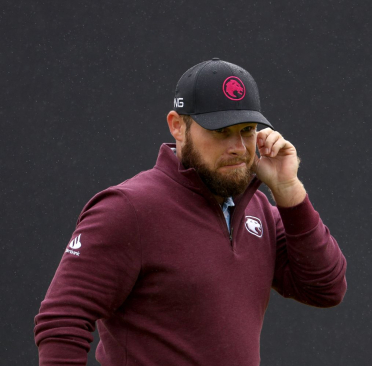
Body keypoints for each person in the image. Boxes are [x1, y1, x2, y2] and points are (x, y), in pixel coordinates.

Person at [34, 58, 347, 366]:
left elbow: (326, 289)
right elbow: (62, 321)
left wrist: (287, 188)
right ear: (177, 126)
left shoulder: (257, 210)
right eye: (222, 131)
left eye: (247, 130)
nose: (238, 146)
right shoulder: (128, 209)